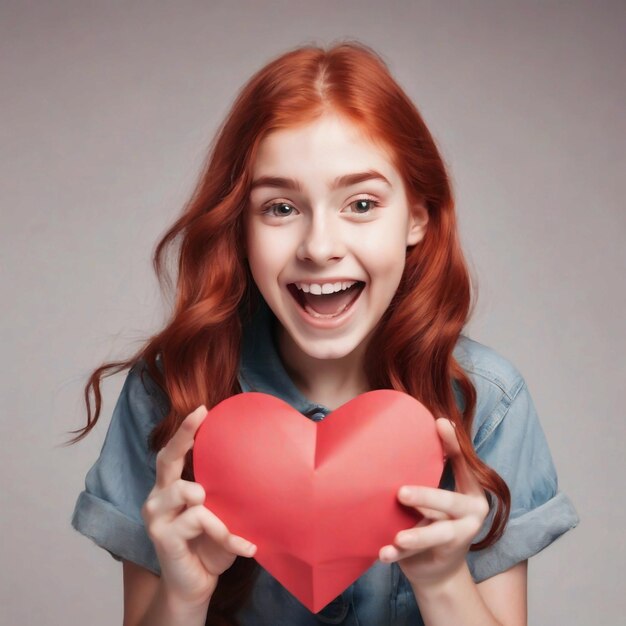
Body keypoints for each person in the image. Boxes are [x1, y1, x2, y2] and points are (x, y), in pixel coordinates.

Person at [68, 41, 579, 626]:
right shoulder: (171, 392)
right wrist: (185, 595)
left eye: (360, 204)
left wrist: (442, 580)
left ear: (416, 216)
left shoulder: (488, 402)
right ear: (241, 225)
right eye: (280, 209)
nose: (319, 247)